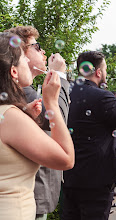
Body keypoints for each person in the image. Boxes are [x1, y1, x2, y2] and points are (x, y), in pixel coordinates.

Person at [0, 32, 74, 220]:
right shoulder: (9, 116)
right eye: (23, 58)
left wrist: (27, 118)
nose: (27, 60)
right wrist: (51, 103)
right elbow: (66, 159)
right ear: (14, 71)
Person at [61, 51, 116, 219]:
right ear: (98, 72)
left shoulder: (64, 93)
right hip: (97, 176)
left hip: (68, 172)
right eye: (105, 69)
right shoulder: (101, 96)